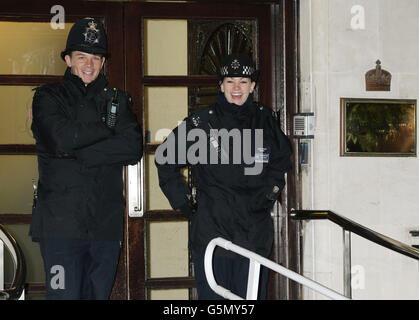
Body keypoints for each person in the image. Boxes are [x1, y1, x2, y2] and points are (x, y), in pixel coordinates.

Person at [155, 53, 292, 299]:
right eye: (230, 81)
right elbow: (165, 159)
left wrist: (268, 195)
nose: (236, 88)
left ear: (253, 86)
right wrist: (187, 204)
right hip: (212, 239)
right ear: (221, 85)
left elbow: (281, 162)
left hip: (253, 237)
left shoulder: (265, 120)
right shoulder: (201, 123)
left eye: (243, 81)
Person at [30, 17, 143, 300]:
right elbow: (60, 139)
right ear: (68, 59)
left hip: (104, 226)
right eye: (82, 57)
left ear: (104, 62)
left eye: (96, 57)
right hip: (60, 228)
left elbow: (131, 147)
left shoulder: (117, 99)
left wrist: (81, 153)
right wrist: (106, 128)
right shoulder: (48, 97)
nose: (89, 64)